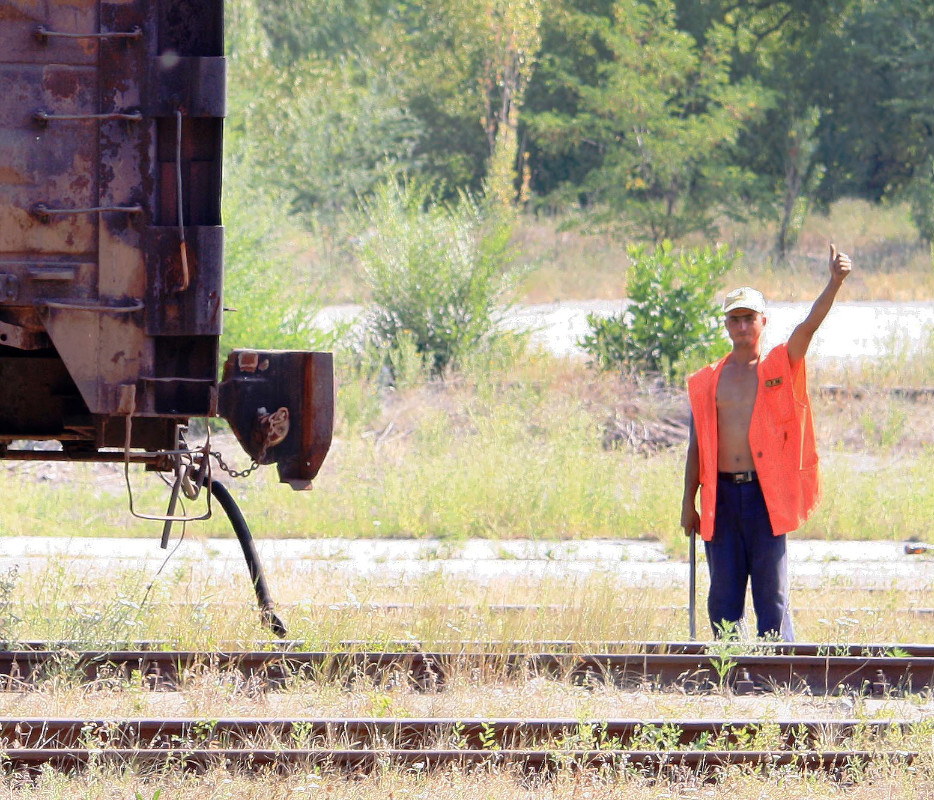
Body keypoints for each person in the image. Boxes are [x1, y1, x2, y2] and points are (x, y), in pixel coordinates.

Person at [681, 245, 852, 641]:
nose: (742, 327)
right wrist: (688, 502)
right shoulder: (707, 380)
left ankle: (779, 667)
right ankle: (729, 666)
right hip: (720, 496)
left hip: (764, 493)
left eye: (749, 319)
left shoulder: (778, 364)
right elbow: (696, 448)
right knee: (723, 591)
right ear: (726, 324)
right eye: (735, 319)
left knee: (771, 591)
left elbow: (808, 326)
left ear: (762, 321)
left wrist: (834, 283)